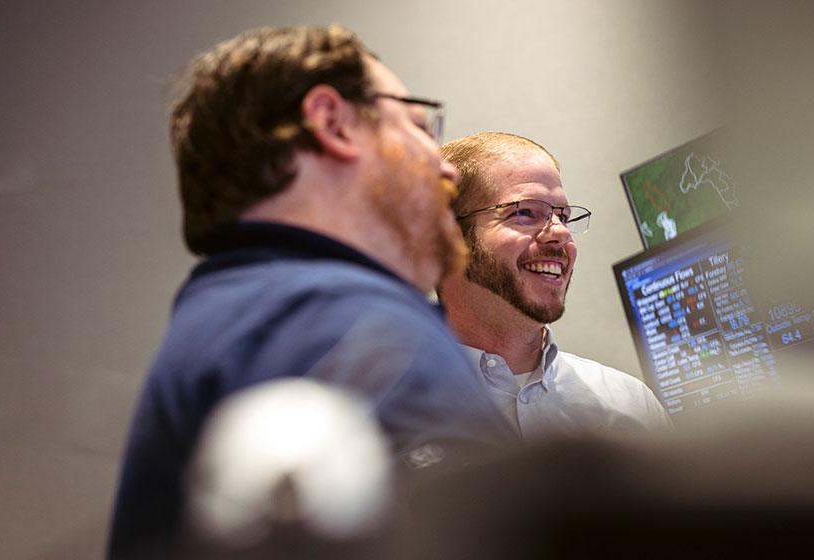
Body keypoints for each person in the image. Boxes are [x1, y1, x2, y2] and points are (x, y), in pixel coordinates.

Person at [109, 26, 514, 558]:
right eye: (419, 124)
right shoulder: (343, 319)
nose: (445, 169)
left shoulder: (235, 317)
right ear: (332, 122)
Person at [438, 132, 672, 440]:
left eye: (563, 216)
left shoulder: (631, 407)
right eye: (524, 212)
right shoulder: (381, 412)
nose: (561, 234)